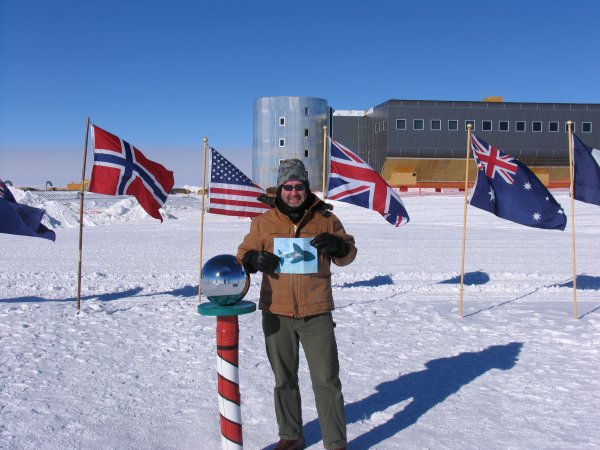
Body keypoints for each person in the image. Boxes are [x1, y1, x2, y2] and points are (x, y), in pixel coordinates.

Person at [237, 159, 357, 450]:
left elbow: (348, 253)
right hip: (276, 314)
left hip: (316, 314)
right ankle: (290, 436)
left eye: (299, 186)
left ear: (306, 187)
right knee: (284, 380)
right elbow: (242, 255)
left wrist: (338, 246)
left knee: (327, 381)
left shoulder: (326, 220)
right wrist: (253, 260)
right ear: (279, 189)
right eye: (288, 187)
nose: (293, 192)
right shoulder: (262, 222)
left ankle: (336, 442)